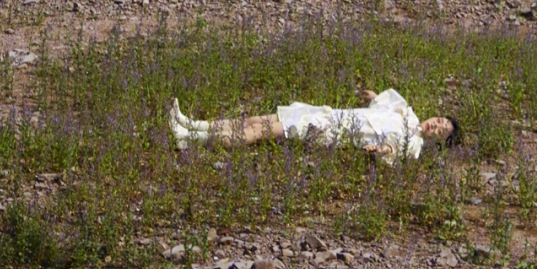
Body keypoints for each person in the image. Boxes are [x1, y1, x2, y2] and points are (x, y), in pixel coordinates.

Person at [170, 88, 459, 162]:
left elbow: (391, 148)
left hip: (329, 131)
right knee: (256, 120)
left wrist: (381, 149)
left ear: (439, 140)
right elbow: (379, 107)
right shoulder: (405, 112)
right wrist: (372, 96)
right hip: (327, 115)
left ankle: (190, 139)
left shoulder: (414, 146)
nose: (437, 126)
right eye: (441, 121)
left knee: (260, 132)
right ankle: (194, 126)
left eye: (442, 131)